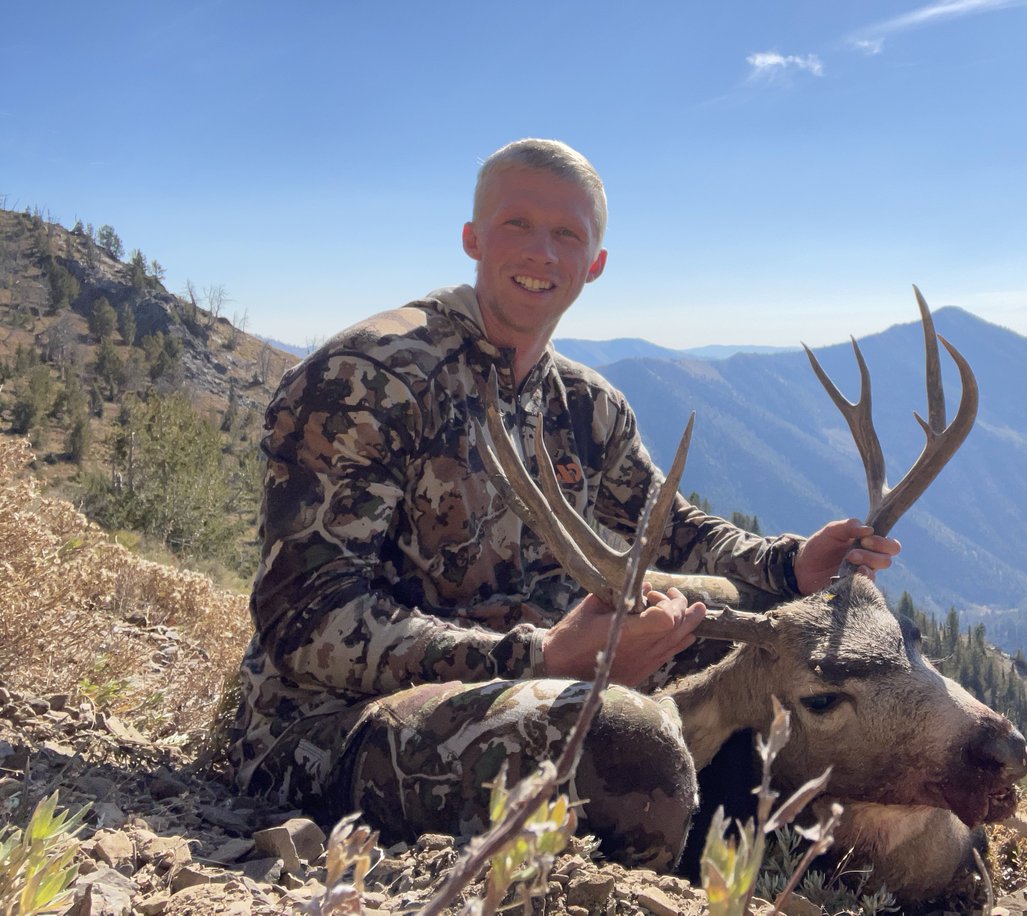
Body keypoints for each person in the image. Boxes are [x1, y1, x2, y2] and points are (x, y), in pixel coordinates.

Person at [228, 138, 900, 870]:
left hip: (533, 679)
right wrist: (542, 657)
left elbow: (669, 531)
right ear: (472, 239)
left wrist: (790, 563)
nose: (542, 253)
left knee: (741, 616)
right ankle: (686, 832)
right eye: (517, 225)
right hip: (329, 729)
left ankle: (779, 826)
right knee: (624, 747)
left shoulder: (584, 403)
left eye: (568, 235)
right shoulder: (370, 375)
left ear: (596, 262)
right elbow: (304, 621)